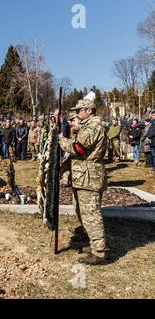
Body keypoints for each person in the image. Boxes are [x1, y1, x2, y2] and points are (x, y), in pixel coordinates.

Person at [57, 99, 109, 265]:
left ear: (89, 110)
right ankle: (93, 244)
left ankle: (100, 252)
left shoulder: (95, 126)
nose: (77, 113)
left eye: (79, 110)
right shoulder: (87, 126)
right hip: (83, 176)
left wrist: (61, 140)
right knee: (80, 210)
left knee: (91, 214)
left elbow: (78, 148)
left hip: (90, 177)